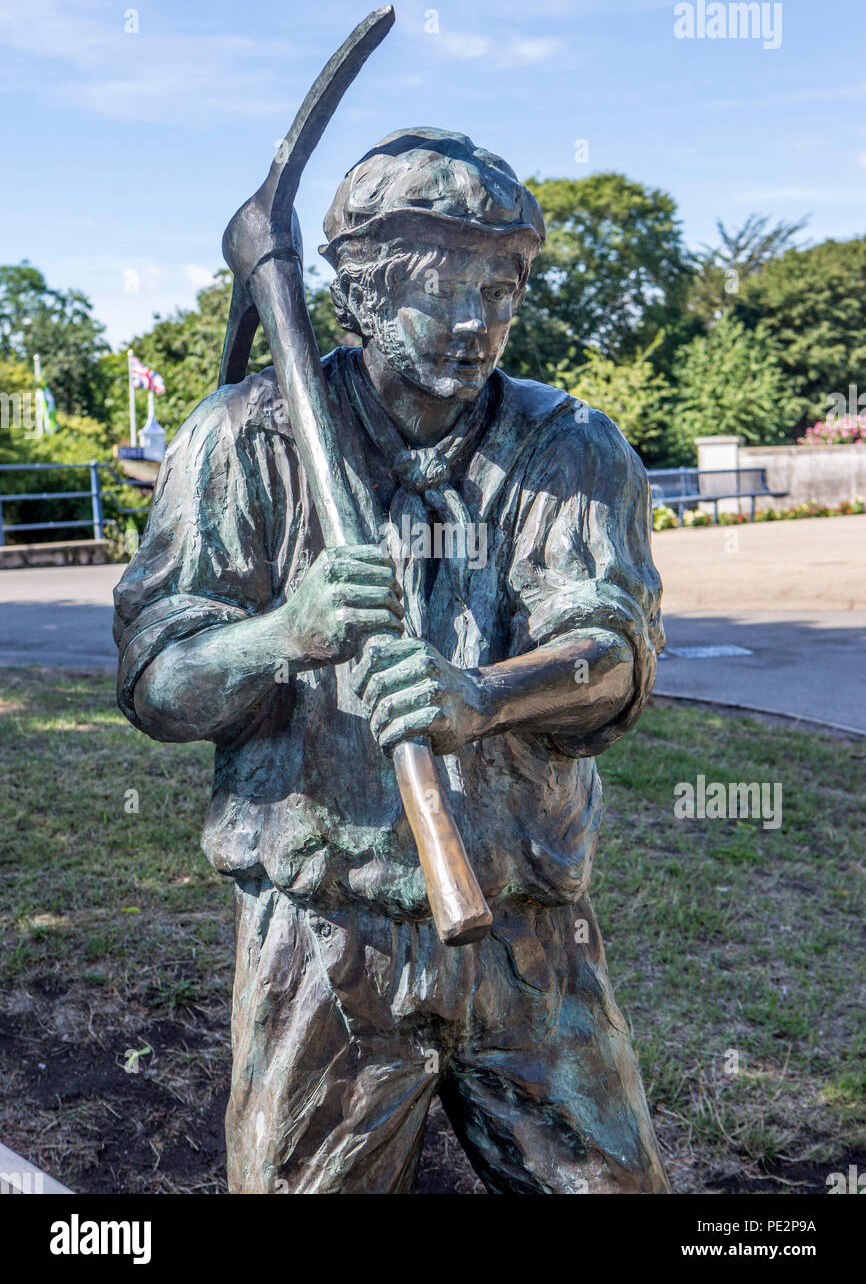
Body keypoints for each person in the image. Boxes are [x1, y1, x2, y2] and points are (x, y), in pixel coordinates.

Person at [114, 128, 669, 1194]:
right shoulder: (246, 440)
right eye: (442, 293)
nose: (475, 326)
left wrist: (487, 696)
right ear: (360, 298)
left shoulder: (570, 448)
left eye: (499, 293)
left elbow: (615, 653)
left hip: (526, 936)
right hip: (328, 941)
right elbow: (156, 679)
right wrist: (282, 632)